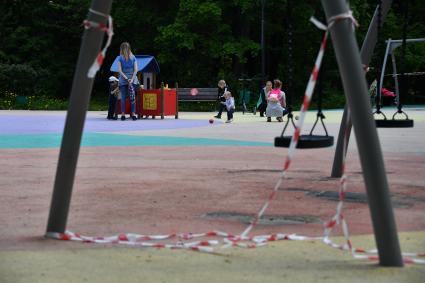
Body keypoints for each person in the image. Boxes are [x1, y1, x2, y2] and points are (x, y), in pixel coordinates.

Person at [117, 42, 139, 121]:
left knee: (123, 97)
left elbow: (119, 70)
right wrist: (132, 79)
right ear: (129, 48)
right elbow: (136, 70)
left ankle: (123, 115)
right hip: (132, 80)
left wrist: (126, 78)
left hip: (123, 80)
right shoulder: (133, 57)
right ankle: (133, 114)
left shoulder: (120, 58)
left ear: (121, 49)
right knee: (132, 97)